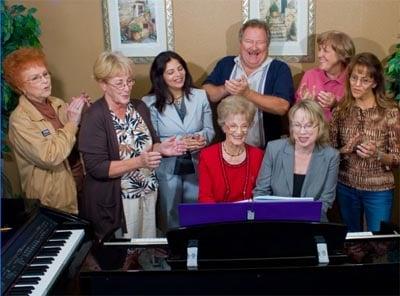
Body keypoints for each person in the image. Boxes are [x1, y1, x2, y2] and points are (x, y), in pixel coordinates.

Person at [78, 51, 186, 241]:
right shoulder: (94, 116)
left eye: (129, 81)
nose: (126, 88)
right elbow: (96, 168)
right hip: (117, 201)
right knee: (123, 254)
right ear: (103, 84)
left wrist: (162, 149)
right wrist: (139, 161)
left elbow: (149, 145)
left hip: (147, 192)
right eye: (119, 83)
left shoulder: (139, 107)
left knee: (146, 248)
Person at [3, 47, 89, 214]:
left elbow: (74, 140)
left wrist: (85, 114)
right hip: (53, 200)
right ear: (21, 87)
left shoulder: (57, 103)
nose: (45, 81)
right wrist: (72, 122)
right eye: (35, 78)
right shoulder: (20, 120)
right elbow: (50, 156)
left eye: (45, 74)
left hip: (80, 186)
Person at [142, 51, 215, 233]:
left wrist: (202, 139)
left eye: (180, 69)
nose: (178, 75)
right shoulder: (149, 102)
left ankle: (194, 249)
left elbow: (210, 130)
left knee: (196, 211)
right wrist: (183, 141)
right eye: (170, 72)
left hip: (197, 162)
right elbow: (152, 138)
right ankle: (172, 253)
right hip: (167, 166)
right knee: (169, 212)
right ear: (160, 77)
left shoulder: (200, 96)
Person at [329, 52, 400, 232]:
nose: (357, 85)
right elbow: (328, 153)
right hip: (345, 186)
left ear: (375, 83)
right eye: (354, 78)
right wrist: (346, 149)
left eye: (365, 80)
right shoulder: (341, 110)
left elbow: (397, 158)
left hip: (379, 190)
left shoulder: (389, 112)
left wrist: (377, 154)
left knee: (378, 242)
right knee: (352, 243)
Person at [203, 19, 294, 147]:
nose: (254, 47)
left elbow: (282, 107)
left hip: (266, 151)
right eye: (249, 41)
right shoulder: (226, 64)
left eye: (260, 42)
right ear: (240, 43)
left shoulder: (279, 68)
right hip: (228, 150)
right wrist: (226, 89)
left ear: (267, 44)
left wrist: (246, 93)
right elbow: (205, 93)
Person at [253, 99, 340, 221]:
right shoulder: (274, 149)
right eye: (297, 125)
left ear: (320, 126)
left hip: (312, 222)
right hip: (275, 221)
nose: (302, 131)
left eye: (309, 125)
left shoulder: (331, 156)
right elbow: (261, 192)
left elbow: (326, 201)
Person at [198, 95, 264, 203]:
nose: (239, 132)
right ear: (223, 126)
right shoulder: (207, 156)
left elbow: (261, 194)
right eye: (233, 126)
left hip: (249, 216)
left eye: (244, 126)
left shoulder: (258, 155)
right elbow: (205, 197)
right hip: (218, 217)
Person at [296, 30, 355, 120]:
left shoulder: (354, 78)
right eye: (319, 49)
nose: (319, 55)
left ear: (342, 54)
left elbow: (360, 115)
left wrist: (336, 104)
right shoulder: (310, 75)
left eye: (325, 51)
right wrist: (305, 104)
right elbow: (295, 114)